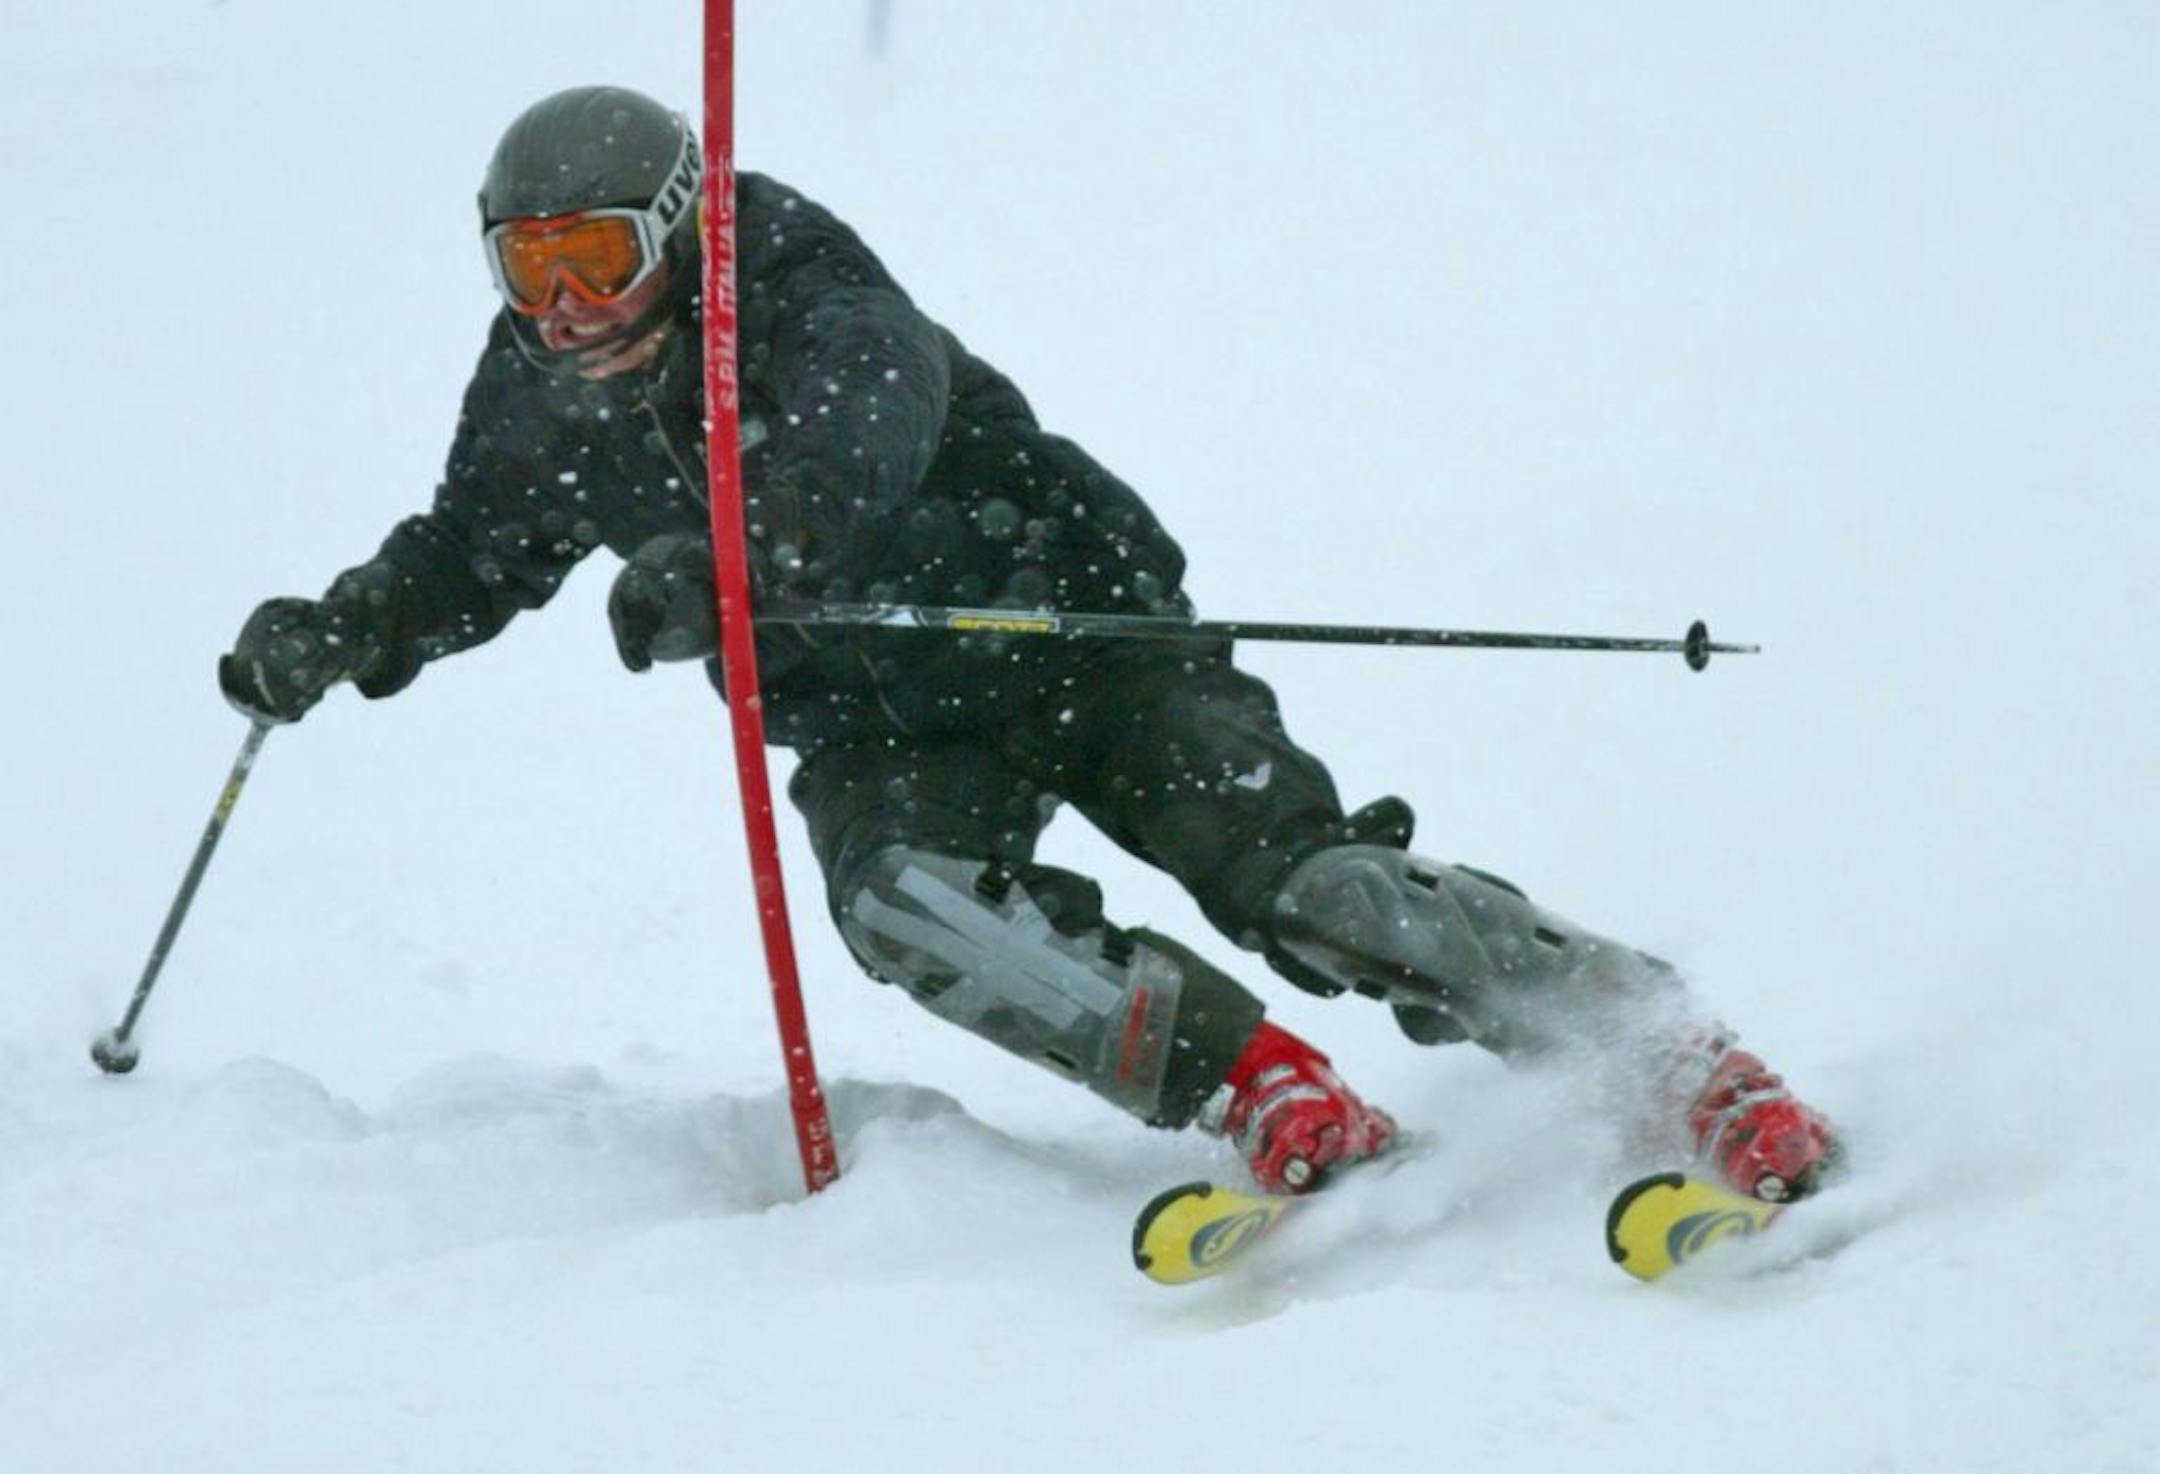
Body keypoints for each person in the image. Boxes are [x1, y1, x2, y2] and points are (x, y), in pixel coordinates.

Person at [223, 86, 1839, 1202]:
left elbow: (866, 432)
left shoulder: (788, 274)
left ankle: (1656, 1041)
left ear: (679, 226)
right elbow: (471, 549)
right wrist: (347, 628)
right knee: (909, 908)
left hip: (1065, 622)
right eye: (531, 265)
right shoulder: (533, 396)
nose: (569, 306)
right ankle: (1254, 1082)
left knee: (1309, 885)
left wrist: (722, 560)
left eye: (600, 258)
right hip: (880, 719)